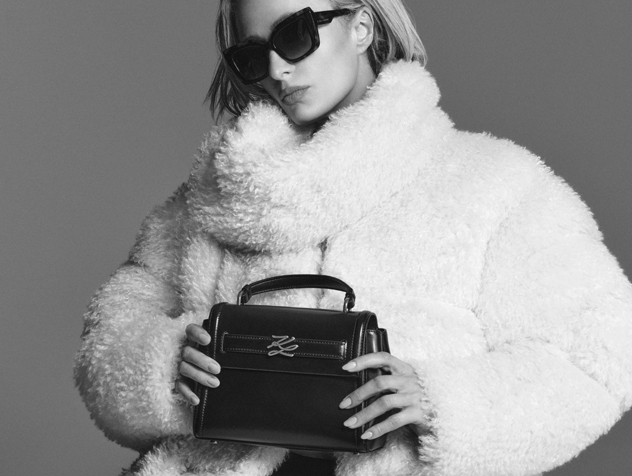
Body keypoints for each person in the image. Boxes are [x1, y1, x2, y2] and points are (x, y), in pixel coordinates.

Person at [74, 0, 632, 475]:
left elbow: (602, 355)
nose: (277, 68)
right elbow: (114, 327)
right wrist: (164, 361)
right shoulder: (222, 191)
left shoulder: (492, 183)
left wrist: (444, 400)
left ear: (361, 26)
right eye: (252, 55)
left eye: (295, 35)